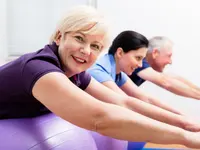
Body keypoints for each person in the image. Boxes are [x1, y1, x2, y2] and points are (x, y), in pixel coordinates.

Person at [1, 5, 200, 149]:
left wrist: (185, 123)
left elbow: (125, 102)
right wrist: (185, 138)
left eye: (95, 46)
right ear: (59, 37)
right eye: (79, 38)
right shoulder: (40, 69)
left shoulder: (77, 74)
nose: (85, 51)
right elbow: (100, 118)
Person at [87, 31, 185, 116]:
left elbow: (146, 99)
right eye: (138, 58)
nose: (140, 65)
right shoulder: (98, 71)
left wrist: (180, 115)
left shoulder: (118, 73)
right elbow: (127, 103)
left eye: (142, 59)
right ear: (120, 53)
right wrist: (180, 122)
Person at [130, 36, 200, 100]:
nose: (170, 62)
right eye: (169, 56)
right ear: (155, 53)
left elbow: (172, 77)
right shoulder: (139, 61)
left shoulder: (146, 64)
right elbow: (165, 82)